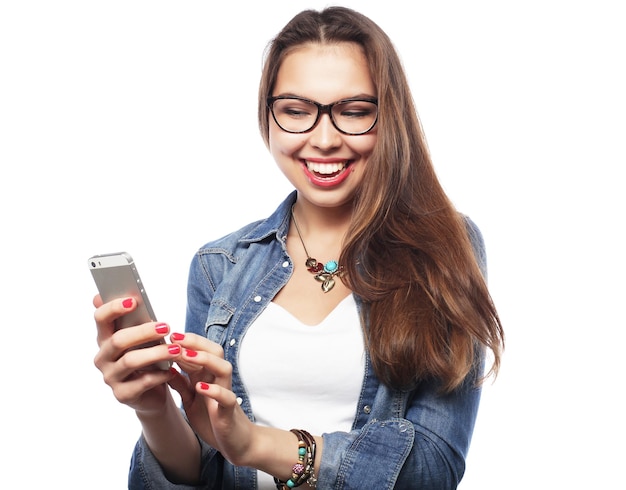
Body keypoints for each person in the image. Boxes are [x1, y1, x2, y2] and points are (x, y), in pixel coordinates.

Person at [93, 6, 504, 489]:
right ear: (267, 118)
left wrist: (257, 445)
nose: (324, 139)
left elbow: (434, 468)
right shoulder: (219, 265)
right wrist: (155, 409)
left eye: (354, 112)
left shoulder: (442, 245)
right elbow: (204, 467)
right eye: (295, 111)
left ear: (388, 117)